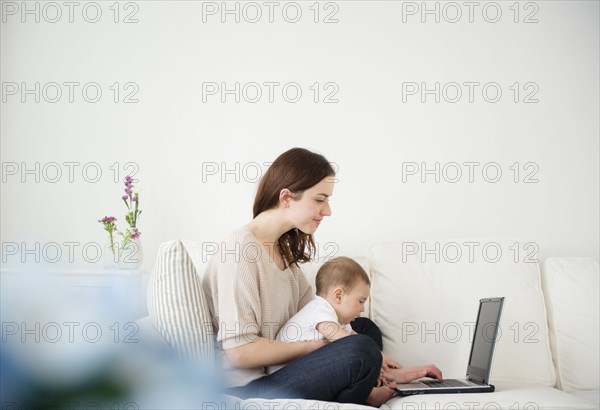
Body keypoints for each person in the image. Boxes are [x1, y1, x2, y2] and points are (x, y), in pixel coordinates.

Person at [202, 147, 442, 405]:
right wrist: (320, 347)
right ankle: (367, 393)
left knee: (363, 328)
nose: (327, 210)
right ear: (286, 197)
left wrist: (343, 340)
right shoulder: (239, 252)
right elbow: (240, 354)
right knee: (360, 350)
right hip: (250, 388)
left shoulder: (284, 257)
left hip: (283, 370)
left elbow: (318, 316)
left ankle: (384, 377)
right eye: (320, 199)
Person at [268, 256, 399, 406]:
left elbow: (354, 336)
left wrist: (382, 358)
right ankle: (366, 395)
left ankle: (365, 393)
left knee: (366, 335)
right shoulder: (319, 309)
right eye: (360, 301)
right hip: (288, 376)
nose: (362, 309)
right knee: (361, 346)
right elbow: (347, 343)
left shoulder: (336, 318)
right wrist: (372, 360)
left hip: (312, 371)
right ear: (338, 295)